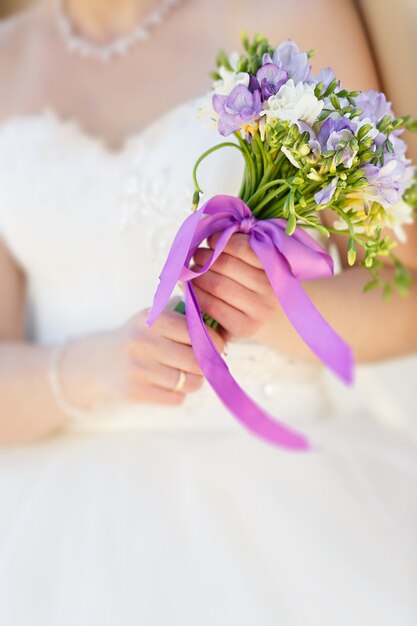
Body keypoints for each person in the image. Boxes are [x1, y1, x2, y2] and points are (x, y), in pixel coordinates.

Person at [0, 0, 416, 624]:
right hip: (55, 535)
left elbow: (405, 291)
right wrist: (86, 369)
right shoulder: (8, 61)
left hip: (288, 518)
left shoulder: (288, 17)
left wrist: (277, 311)